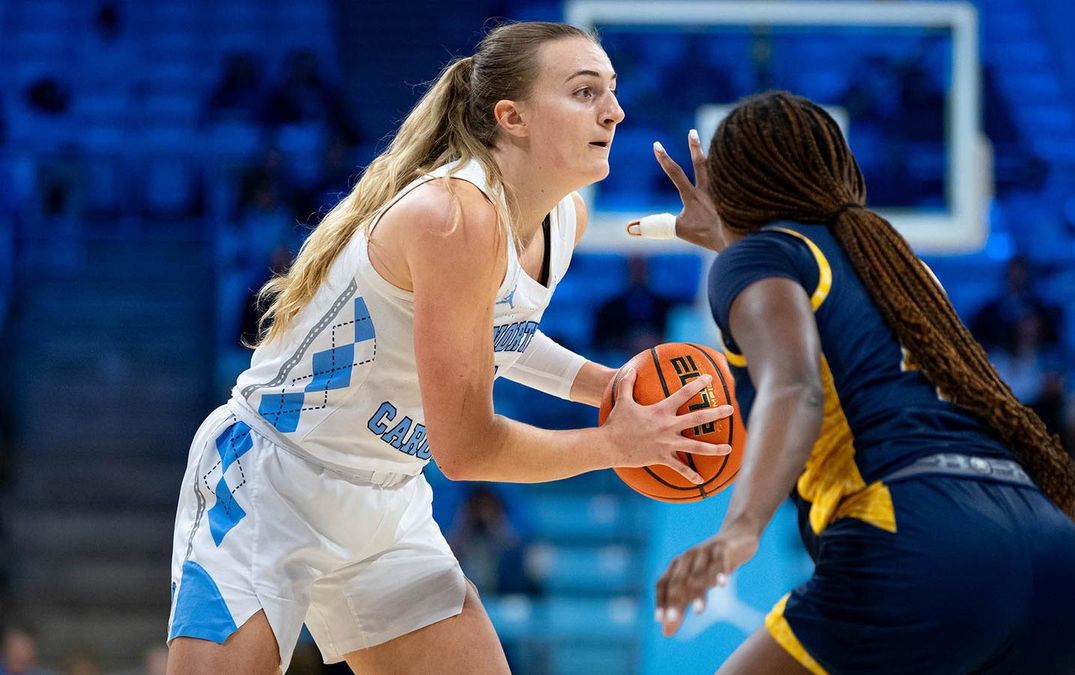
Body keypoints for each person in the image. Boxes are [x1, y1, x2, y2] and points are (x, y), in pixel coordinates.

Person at [166, 21, 732, 674]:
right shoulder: (453, 217)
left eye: (611, 90)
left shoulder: (564, 217)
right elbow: (465, 448)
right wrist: (613, 444)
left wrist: (608, 388)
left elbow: (496, 338)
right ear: (512, 117)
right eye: (584, 92)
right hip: (272, 481)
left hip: (385, 502)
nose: (614, 109)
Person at [641, 92, 1075, 674]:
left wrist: (739, 530)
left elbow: (794, 385)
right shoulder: (901, 267)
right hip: (1049, 555)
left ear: (734, 186)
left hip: (919, 536)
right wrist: (730, 237)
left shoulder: (756, 259)